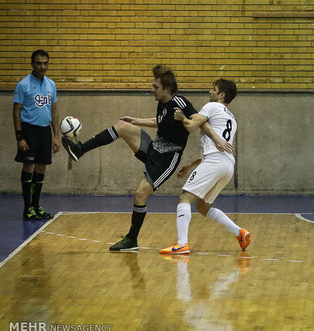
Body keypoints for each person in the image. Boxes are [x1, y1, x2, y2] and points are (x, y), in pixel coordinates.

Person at [61, 65, 225, 251]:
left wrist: (216, 138)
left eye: (156, 87)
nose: (152, 89)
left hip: (167, 159)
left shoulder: (180, 101)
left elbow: (198, 120)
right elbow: (160, 121)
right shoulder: (162, 103)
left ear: (167, 89)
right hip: (155, 147)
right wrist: (135, 120)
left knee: (140, 195)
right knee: (122, 125)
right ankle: (80, 149)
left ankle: (132, 240)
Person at [160, 78, 251, 255]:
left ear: (221, 94)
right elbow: (216, 147)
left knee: (185, 198)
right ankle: (240, 232)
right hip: (227, 165)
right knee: (202, 206)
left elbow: (191, 126)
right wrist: (190, 165)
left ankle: (181, 244)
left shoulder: (212, 107)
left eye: (213, 89)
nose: (210, 92)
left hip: (215, 162)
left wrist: (182, 117)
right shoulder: (231, 118)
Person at [14, 49, 60, 220]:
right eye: (39, 63)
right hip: (28, 130)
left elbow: (54, 111)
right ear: (32, 64)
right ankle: (27, 209)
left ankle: (36, 206)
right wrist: (20, 136)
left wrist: (55, 136)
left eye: (45, 63)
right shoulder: (23, 84)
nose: (42, 66)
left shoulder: (51, 84)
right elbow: (16, 111)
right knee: (29, 167)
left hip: (44, 131)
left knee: (41, 167)